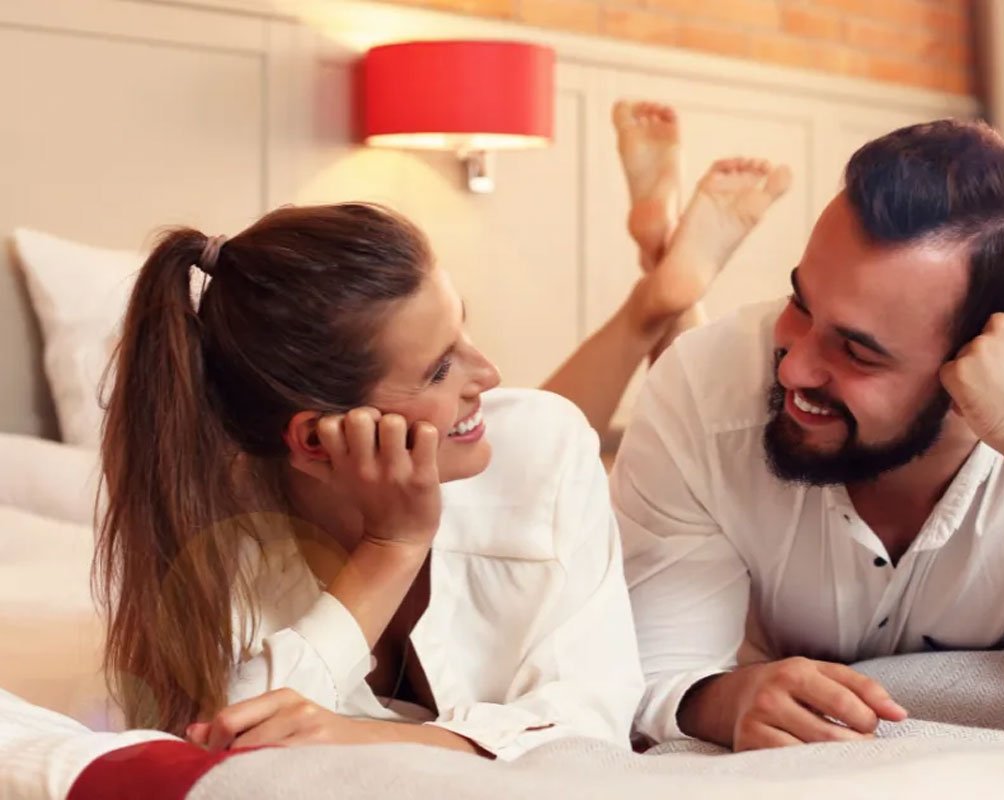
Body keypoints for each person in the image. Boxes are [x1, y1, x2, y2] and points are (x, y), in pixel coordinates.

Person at [94, 102, 791, 759]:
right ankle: (662, 294)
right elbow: (218, 736)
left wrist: (368, 738)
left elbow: (593, 719)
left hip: (662, 600)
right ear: (313, 440)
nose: (488, 370)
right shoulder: (215, 528)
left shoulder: (543, 445)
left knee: (542, 430)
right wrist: (391, 548)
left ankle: (662, 299)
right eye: (436, 369)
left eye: (466, 325)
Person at [612, 118, 1004, 750]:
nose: (793, 366)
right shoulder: (702, 389)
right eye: (801, 303)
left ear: (979, 363)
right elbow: (649, 672)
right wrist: (723, 699)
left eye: (858, 353)